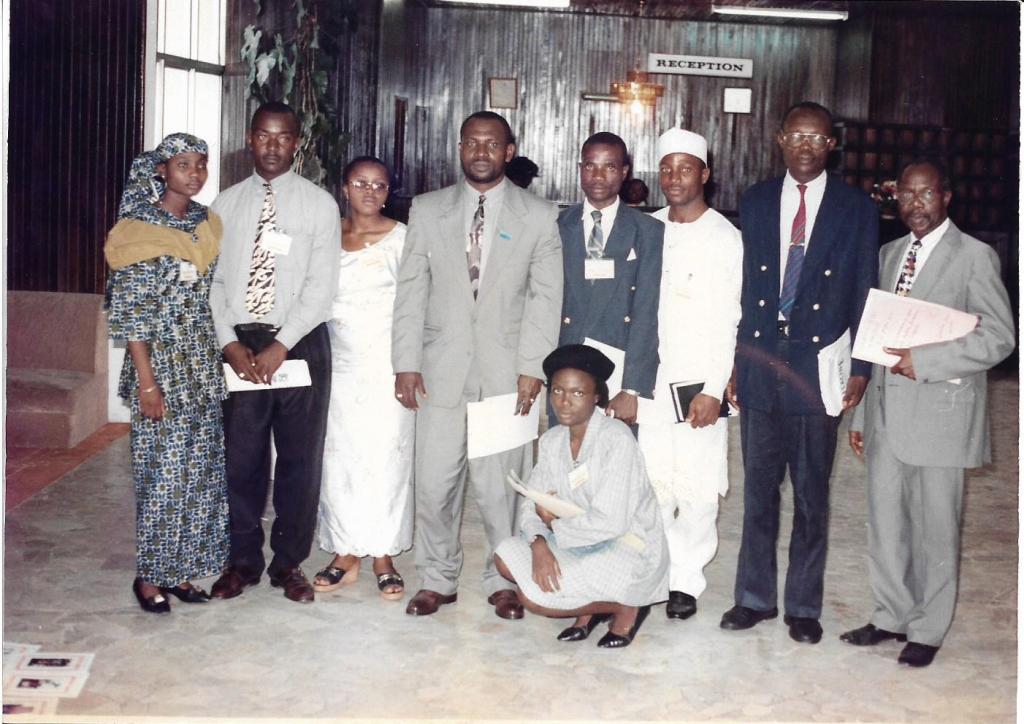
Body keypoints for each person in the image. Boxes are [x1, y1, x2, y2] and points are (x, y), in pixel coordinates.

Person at [841, 159, 1014, 667]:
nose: (915, 204)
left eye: (927, 194)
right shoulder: (890, 253)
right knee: (885, 522)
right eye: (907, 195)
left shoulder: (975, 256)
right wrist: (862, 416)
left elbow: (1000, 337)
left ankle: (928, 628)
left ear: (946, 197)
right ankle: (890, 615)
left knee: (935, 527)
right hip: (885, 414)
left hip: (941, 415)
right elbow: (879, 341)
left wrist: (929, 361)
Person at [392, 110, 563, 619]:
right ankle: (437, 578)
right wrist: (405, 361)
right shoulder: (427, 209)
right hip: (438, 370)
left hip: (506, 374)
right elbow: (410, 292)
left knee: (501, 490)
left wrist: (532, 366)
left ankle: (503, 577)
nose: (481, 152)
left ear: (509, 152)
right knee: (434, 485)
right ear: (460, 148)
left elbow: (545, 298)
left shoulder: (539, 216)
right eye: (471, 142)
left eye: (492, 144)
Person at [721, 101, 878, 644]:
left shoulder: (856, 208)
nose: (806, 146)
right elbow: (744, 288)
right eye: (797, 136)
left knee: (812, 494)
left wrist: (861, 366)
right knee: (759, 491)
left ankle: (804, 607)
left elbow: (865, 288)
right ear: (780, 139)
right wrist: (735, 362)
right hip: (761, 361)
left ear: (831, 144)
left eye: (817, 138)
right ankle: (754, 598)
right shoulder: (757, 199)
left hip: (818, 365)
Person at [208, 101, 341, 604]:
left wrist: (282, 344)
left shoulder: (319, 205)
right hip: (240, 345)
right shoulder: (224, 205)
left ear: (296, 144)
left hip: (299, 341)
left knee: (299, 461)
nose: (272, 145)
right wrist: (229, 342)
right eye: (263, 135)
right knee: (240, 460)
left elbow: (321, 287)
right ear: (250, 138)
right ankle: (242, 562)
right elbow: (213, 282)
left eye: (283, 137)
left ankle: (289, 564)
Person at [104, 132, 229, 614]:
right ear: (161, 170)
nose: (194, 174)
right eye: (183, 165)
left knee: (197, 474)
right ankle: (149, 576)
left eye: (200, 164)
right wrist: (147, 383)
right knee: (161, 476)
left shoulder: (205, 223)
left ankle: (180, 572)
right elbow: (132, 316)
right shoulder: (139, 229)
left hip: (200, 363)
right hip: (158, 365)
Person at [494, 344, 669, 648]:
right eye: (558, 391)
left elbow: (611, 523)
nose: (564, 402)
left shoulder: (616, 439)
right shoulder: (552, 440)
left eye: (577, 393)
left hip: (625, 546)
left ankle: (627, 606)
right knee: (505, 555)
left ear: (596, 396)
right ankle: (593, 605)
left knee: (534, 599)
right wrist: (538, 543)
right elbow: (531, 503)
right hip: (576, 541)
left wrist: (552, 525)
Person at [638, 128, 742, 621]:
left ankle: (686, 580)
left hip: (699, 382)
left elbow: (730, 318)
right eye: (666, 168)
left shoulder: (725, 237)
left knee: (698, 486)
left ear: (705, 174)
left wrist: (715, 387)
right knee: (653, 481)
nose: (674, 177)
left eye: (685, 168)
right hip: (651, 379)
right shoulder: (648, 229)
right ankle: (655, 572)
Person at [313, 156, 413, 600]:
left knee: (387, 459)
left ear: (388, 192)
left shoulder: (402, 238)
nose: (370, 192)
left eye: (379, 185)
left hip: (388, 367)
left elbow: (416, 305)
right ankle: (345, 553)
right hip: (338, 365)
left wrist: (411, 365)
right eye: (360, 183)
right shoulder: (326, 235)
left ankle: (384, 555)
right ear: (344, 188)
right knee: (340, 460)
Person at [557, 132, 663, 429]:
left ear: (625, 171)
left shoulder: (647, 230)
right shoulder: (558, 225)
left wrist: (632, 387)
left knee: (614, 453)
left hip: (617, 372)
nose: (598, 176)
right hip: (566, 366)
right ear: (580, 168)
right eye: (590, 165)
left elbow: (647, 311)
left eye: (610, 167)